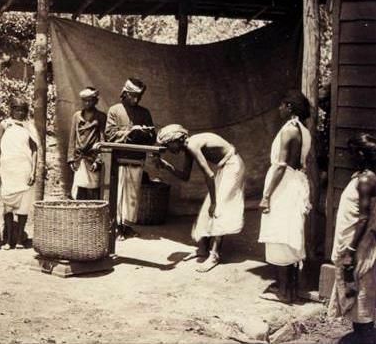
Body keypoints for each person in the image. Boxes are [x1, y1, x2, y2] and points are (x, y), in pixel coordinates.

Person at [156, 124, 245, 272]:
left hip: (233, 166)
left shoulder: (192, 145)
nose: (168, 149)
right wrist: (165, 166)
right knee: (207, 208)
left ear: (177, 139)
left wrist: (214, 202)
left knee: (219, 208)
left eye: (168, 144)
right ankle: (203, 248)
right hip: (225, 166)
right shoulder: (188, 147)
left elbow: (209, 174)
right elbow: (185, 176)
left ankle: (215, 254)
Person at [258, 90, 312, 303]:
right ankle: (288, 288)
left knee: (280, 235)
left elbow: (281, 166)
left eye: (281, 105)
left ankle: (283, 292)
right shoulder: (304, 131)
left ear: (289, 106)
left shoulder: (289, 130)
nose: (279, 109)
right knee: (289, 233)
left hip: (284, 185)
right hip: (295, 183)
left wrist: (267, 195)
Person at [327, 133, 376, 344]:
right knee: (355, 294)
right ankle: (361, 335)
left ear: (359, 153)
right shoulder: (362, 176)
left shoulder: (366, 179)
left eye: (350, 153)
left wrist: (351, 250)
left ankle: (364, 337)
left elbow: (364, 217)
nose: (348, 157)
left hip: (358, 246)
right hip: (353, 243)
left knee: (361, 293)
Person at [105, 78, 155, 239]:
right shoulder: (114, 110)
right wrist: (129, 131)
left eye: (138, 96)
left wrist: (143, 132)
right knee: (118, 194)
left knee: (132, 196)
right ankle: (117, 226)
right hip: (119, 159)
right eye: (133, 96)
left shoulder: (144, 113)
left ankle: (127, 226)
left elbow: (152, 136)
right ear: (125, 94)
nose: (136, 100)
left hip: (137, 159)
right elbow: (109, 135)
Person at [0, 98, 39, 250]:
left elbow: (34, 150)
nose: (19, 113)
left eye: (23, 110)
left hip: (24, 169)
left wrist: (33, 171)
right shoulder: (5, 125)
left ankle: (19, 239)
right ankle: (7, 240)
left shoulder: (29, 128)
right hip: (8, 169)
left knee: (23, 206)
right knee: (7, 204)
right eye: (17, 109)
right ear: (11, 110)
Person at [68, 87, 106, 200]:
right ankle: (80, 213)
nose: (87, 103)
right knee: (79, 189)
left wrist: (98, 160)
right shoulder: (77, 116)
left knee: (93, 188)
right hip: (79, 159)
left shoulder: (101, 117)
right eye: (85, 100)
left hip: (92, 158)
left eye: (90, 100)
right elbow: (72, 138)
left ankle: (92, 214)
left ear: (96, 101)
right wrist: (71, 158)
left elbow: (103, 140)